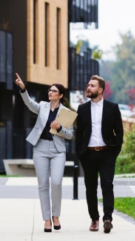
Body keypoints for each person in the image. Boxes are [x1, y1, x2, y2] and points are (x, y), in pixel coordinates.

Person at [15, 73, 74, 233]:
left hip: (58, 151)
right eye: (50, 90)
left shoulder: (66, 112)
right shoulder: (42, 106)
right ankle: (47, 219)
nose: (50, 92)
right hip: (40, 148)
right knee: (43, 186)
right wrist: (23, 88)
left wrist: (60, 128)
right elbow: (28, 103)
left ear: (60, 95)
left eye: (54, 91)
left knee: (56, 182)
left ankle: (56, 215)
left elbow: (70, 135)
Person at [75, 75, 124, 233]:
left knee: (107, 184)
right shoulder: (82, 109)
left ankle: (107, 218)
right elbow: (80, 132)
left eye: (92, 86)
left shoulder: (112, 107)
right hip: (88, 154)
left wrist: (114, 150)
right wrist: (80, 153)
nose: (88, 88)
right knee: (91, 188)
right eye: (88, 85)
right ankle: (94, 219)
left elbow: (119, 131)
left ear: (100, 90)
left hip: (107, 153)